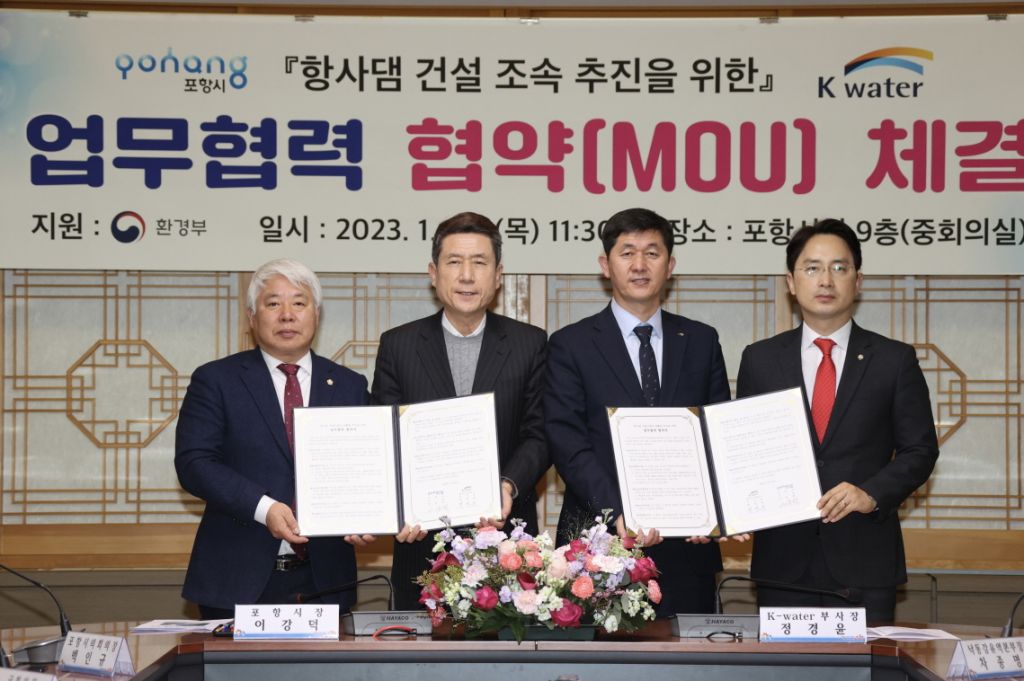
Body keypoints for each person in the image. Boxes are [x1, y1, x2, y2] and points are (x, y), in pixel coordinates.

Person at [736, 218, 939, 623]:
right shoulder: (760, 359)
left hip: (864, 559)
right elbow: (743, 450)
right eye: (812, 268)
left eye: (839, 268)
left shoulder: (894, 360)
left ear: (858, 281)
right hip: (783, 562)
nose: (826, 280)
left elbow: (920, 450)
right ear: (791, 282)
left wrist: (870, 493)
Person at [544, 207, 730, 615]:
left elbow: (718, 435)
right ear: (605, 265)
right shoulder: (571, 344)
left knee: (688, 652)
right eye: (627, 253)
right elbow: (566, 439)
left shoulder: (701, 340)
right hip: (597, 546)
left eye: (652, 253)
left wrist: (711, 509)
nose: (640, 265)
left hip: (688, 546)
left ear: (670, 265)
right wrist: (617, 511)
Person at [176, 258, 373, 619]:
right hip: (236, 578)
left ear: (316, 314)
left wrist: (368, 514)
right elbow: (195, 463)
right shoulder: (216, 380)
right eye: (273, 303)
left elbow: (367, 465)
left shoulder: (350, 385)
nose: (287, 315)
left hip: (326, 580)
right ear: (252, 317)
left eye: (299, 302)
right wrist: (264, 507)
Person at [371, 211, 549, 610]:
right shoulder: (399, 346)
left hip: (507, 545)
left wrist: (507, 485)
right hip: (422, 545)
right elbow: (386, 439)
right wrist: (401, 504)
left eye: (479, 263)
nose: (467, 276)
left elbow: (539, 433)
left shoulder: (529, 343)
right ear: (433, 273)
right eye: (454, 262)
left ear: (498, 275)